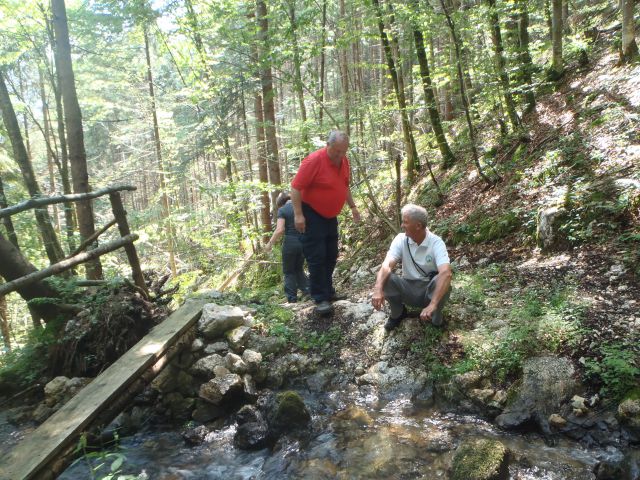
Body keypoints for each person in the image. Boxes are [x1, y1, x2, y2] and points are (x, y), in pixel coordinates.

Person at [291, 130, 361, 316]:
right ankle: (320, 297)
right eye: (336, 151)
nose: (339, 155)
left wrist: (353, 207)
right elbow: (296, 187)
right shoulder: (314, 160)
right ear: (328, 145)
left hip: (330, 215)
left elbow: (344, 186)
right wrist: (298, 215)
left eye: (343, 152)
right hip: (311, 213)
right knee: (317, 255)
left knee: (331, 254)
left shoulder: (344, 161)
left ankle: (328, 291)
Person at [372, 204, 452, 331]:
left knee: (444, 279)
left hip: (428, 291)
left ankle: (435, 317)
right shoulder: (400, 239)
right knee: (386, 278)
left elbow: (446, 272)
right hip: (408, 288)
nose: (402, 225)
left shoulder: (436, 242)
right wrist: (377, 289)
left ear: (418, 225)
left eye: (405, 222)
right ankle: (397, 313)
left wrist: (432, 304)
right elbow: (387, 264)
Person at [265, 192, 309, 303]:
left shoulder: (283, 210)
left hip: (290, 243)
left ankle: (292, 298)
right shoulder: (301, 207)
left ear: (280, 203)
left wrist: (270, 244)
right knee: (298, 268)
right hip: (304, 242)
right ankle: (308, 291)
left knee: (289, 271)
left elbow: (280, 230)